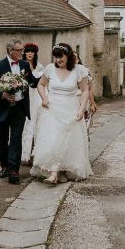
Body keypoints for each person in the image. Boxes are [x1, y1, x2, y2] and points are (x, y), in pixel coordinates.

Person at [30, 43, 93, 184]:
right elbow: (40, 84)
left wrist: (81, 109)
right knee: (54, 140)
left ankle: (61, 172)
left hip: (70, 109)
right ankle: (53, 173)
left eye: (61, 57)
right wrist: (44, 98)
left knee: (67, 141)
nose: (58, 60)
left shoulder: (79, 70)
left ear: (68, 56)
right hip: (52, 110)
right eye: (56, 57)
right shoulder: (50, 69)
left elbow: (84, 90)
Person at [0, 38, 39, 184]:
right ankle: (4, 165)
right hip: (1, 109)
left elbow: (33, 83)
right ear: (11, 51)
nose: (23, 52)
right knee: (2, 140)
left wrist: (50, 73)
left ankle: (14, 170)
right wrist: (2, 94)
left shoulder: (24, 65)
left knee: (16, 139)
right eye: (20, 50)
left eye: (23, 50)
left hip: (19, 108)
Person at [20, 43, 45, 165]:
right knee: (24, 125)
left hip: (35, 99)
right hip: (23, 98)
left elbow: (42, 85)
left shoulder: (40, 68)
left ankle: (34, 154)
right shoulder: (20, 66)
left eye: (32, 52)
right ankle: (23, 154)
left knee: (35, 126)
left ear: (35, 53)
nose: (29, 54)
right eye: (27, 51)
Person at [72, 51, 97, 121]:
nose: (75, 60)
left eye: (76, 58)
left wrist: (92, 103)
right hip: (71, 101)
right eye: (73, 58)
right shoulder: (66, 71)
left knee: (84, 121)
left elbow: (90, 88)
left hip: (83, 99)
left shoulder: (85, 71)